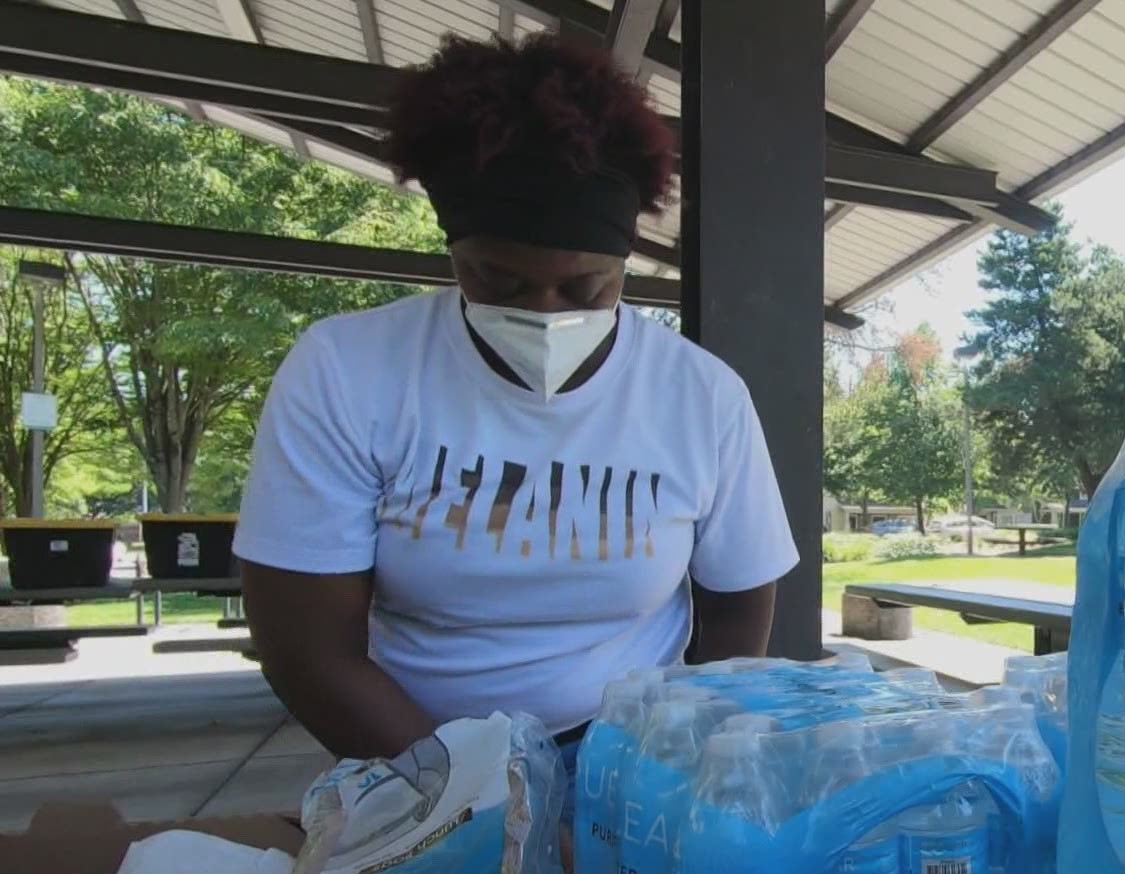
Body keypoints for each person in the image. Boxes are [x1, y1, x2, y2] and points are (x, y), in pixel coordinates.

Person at [235, 33, 798, 771]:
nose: (542, 312)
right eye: (497, 282)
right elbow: (308, 651)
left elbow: (738, 600)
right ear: (453, 253)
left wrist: (677, 756)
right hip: (411, 753)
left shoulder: (700, 396)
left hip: (626, 757)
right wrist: (470, 803)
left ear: (625, 261)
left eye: (584, 287)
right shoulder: (348, 372)